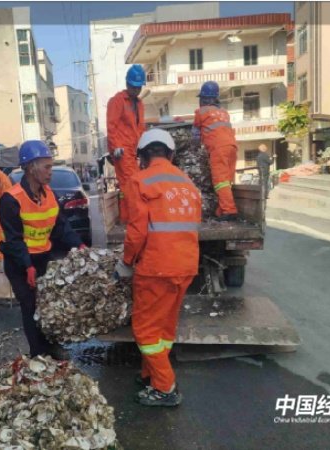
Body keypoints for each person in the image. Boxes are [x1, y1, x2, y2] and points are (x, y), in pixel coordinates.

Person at [114, 128, 202, 407]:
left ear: (142, 156)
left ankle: (165, 388)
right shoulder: (187, 183)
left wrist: (126, 262)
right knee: (164, 327)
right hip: (186, 265)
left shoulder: (140, 181)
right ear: (171, 154)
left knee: (146, 330)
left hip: (156, 268)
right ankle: (150, 374)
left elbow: (137, 231)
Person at [0, 140, 87, 358]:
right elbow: (14, 240)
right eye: (47, 167)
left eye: (51, 166)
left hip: (42, 259)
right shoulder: (10, 200)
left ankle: (50, 345)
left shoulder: (50, 195)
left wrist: (80, 244)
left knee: (46, 303)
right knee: (30, 306)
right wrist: (27, 266)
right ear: (31, 167)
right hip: (19, 264)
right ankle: (38, 354)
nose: (50, 172)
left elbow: (61, 227)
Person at [192, 81, 239, 221]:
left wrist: (195, 148)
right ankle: (222, 209)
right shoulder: (224, 112)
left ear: (204, 98)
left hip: (218, 149)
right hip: (232, 147)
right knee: (227, 180)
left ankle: (229, 210)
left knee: (220, 180)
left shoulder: (201, 112)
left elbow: (195, 135)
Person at [107, 64, 146, 224]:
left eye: (138, 87)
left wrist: (142, 148)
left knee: (128, 185)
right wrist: (115, 147)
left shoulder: (140, 104)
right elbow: (111, 126)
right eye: (133, 86)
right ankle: (132, 218)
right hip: (122, 151)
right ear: (127, 83)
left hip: (134, 151)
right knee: (131, 184)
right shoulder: (117, 101)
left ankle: (126, 218)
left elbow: (140, 128)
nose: (136, 90)